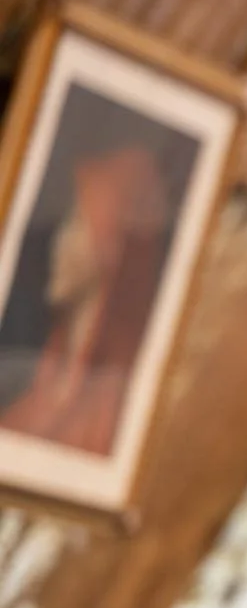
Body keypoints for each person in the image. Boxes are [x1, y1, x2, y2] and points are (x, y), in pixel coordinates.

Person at [0, 144, 170, 455]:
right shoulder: (41, 369)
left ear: (109, 252)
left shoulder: (109, 400)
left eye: (76, 226)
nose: (59, 243)